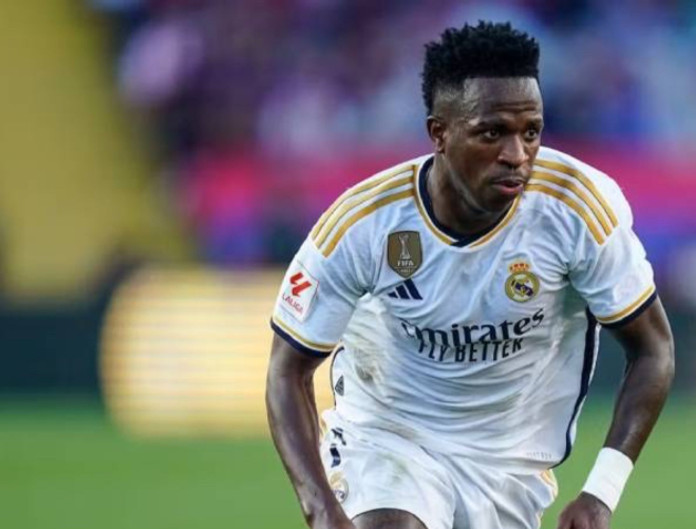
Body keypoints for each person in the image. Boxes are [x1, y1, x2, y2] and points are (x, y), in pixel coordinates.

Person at [266, 21, 674, 529]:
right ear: (439, 133)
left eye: (531, 132)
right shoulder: (364, 224)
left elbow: (653, 349)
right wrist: (322, 509)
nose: (517, 155)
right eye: (492, 133)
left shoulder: (575, 209)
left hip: (509, 464)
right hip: (388, 436)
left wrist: (601, 493)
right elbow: (287, 370)